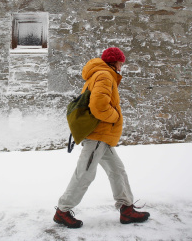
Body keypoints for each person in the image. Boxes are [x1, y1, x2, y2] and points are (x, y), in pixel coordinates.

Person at [53, 47, 150, 228]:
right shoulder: (105, 75)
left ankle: (126, 208)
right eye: (121, 62)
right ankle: (62, 211)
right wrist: (115, 117)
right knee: (85, 173)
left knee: (117, 170)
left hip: (102, 137)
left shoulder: (101, 74)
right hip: (98, 136)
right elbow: (98, 106)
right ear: (115, 62)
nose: (122, 65)